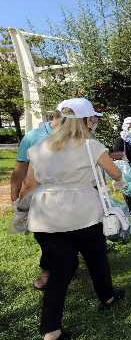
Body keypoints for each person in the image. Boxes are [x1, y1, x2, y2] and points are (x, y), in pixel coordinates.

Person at [20, 98, 124, 340]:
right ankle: (107, 297)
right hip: (83, 214)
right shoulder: (91, 146)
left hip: (45, 216)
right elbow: (116, 174)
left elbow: (30, 184)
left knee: (58, 273)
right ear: (86, 120)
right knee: (97, 259)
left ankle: (50, 332)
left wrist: (22, 208)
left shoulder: (40, 147)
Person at [10, 103, 65, 291]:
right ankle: (48, 270)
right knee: (45, 235)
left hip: (71, 195)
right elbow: (20, 169)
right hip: (41, 197)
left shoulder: (79, 134)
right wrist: (15, 197)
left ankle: (68, 264)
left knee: (67, 234)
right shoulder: (34, 136)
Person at [110, 117, 131, 214]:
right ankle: (127, 209)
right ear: (125, 127)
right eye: (130, 127)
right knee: (126, 188)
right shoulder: (120, 140)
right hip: (124, 168)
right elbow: (117, 156)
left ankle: (130, 207)